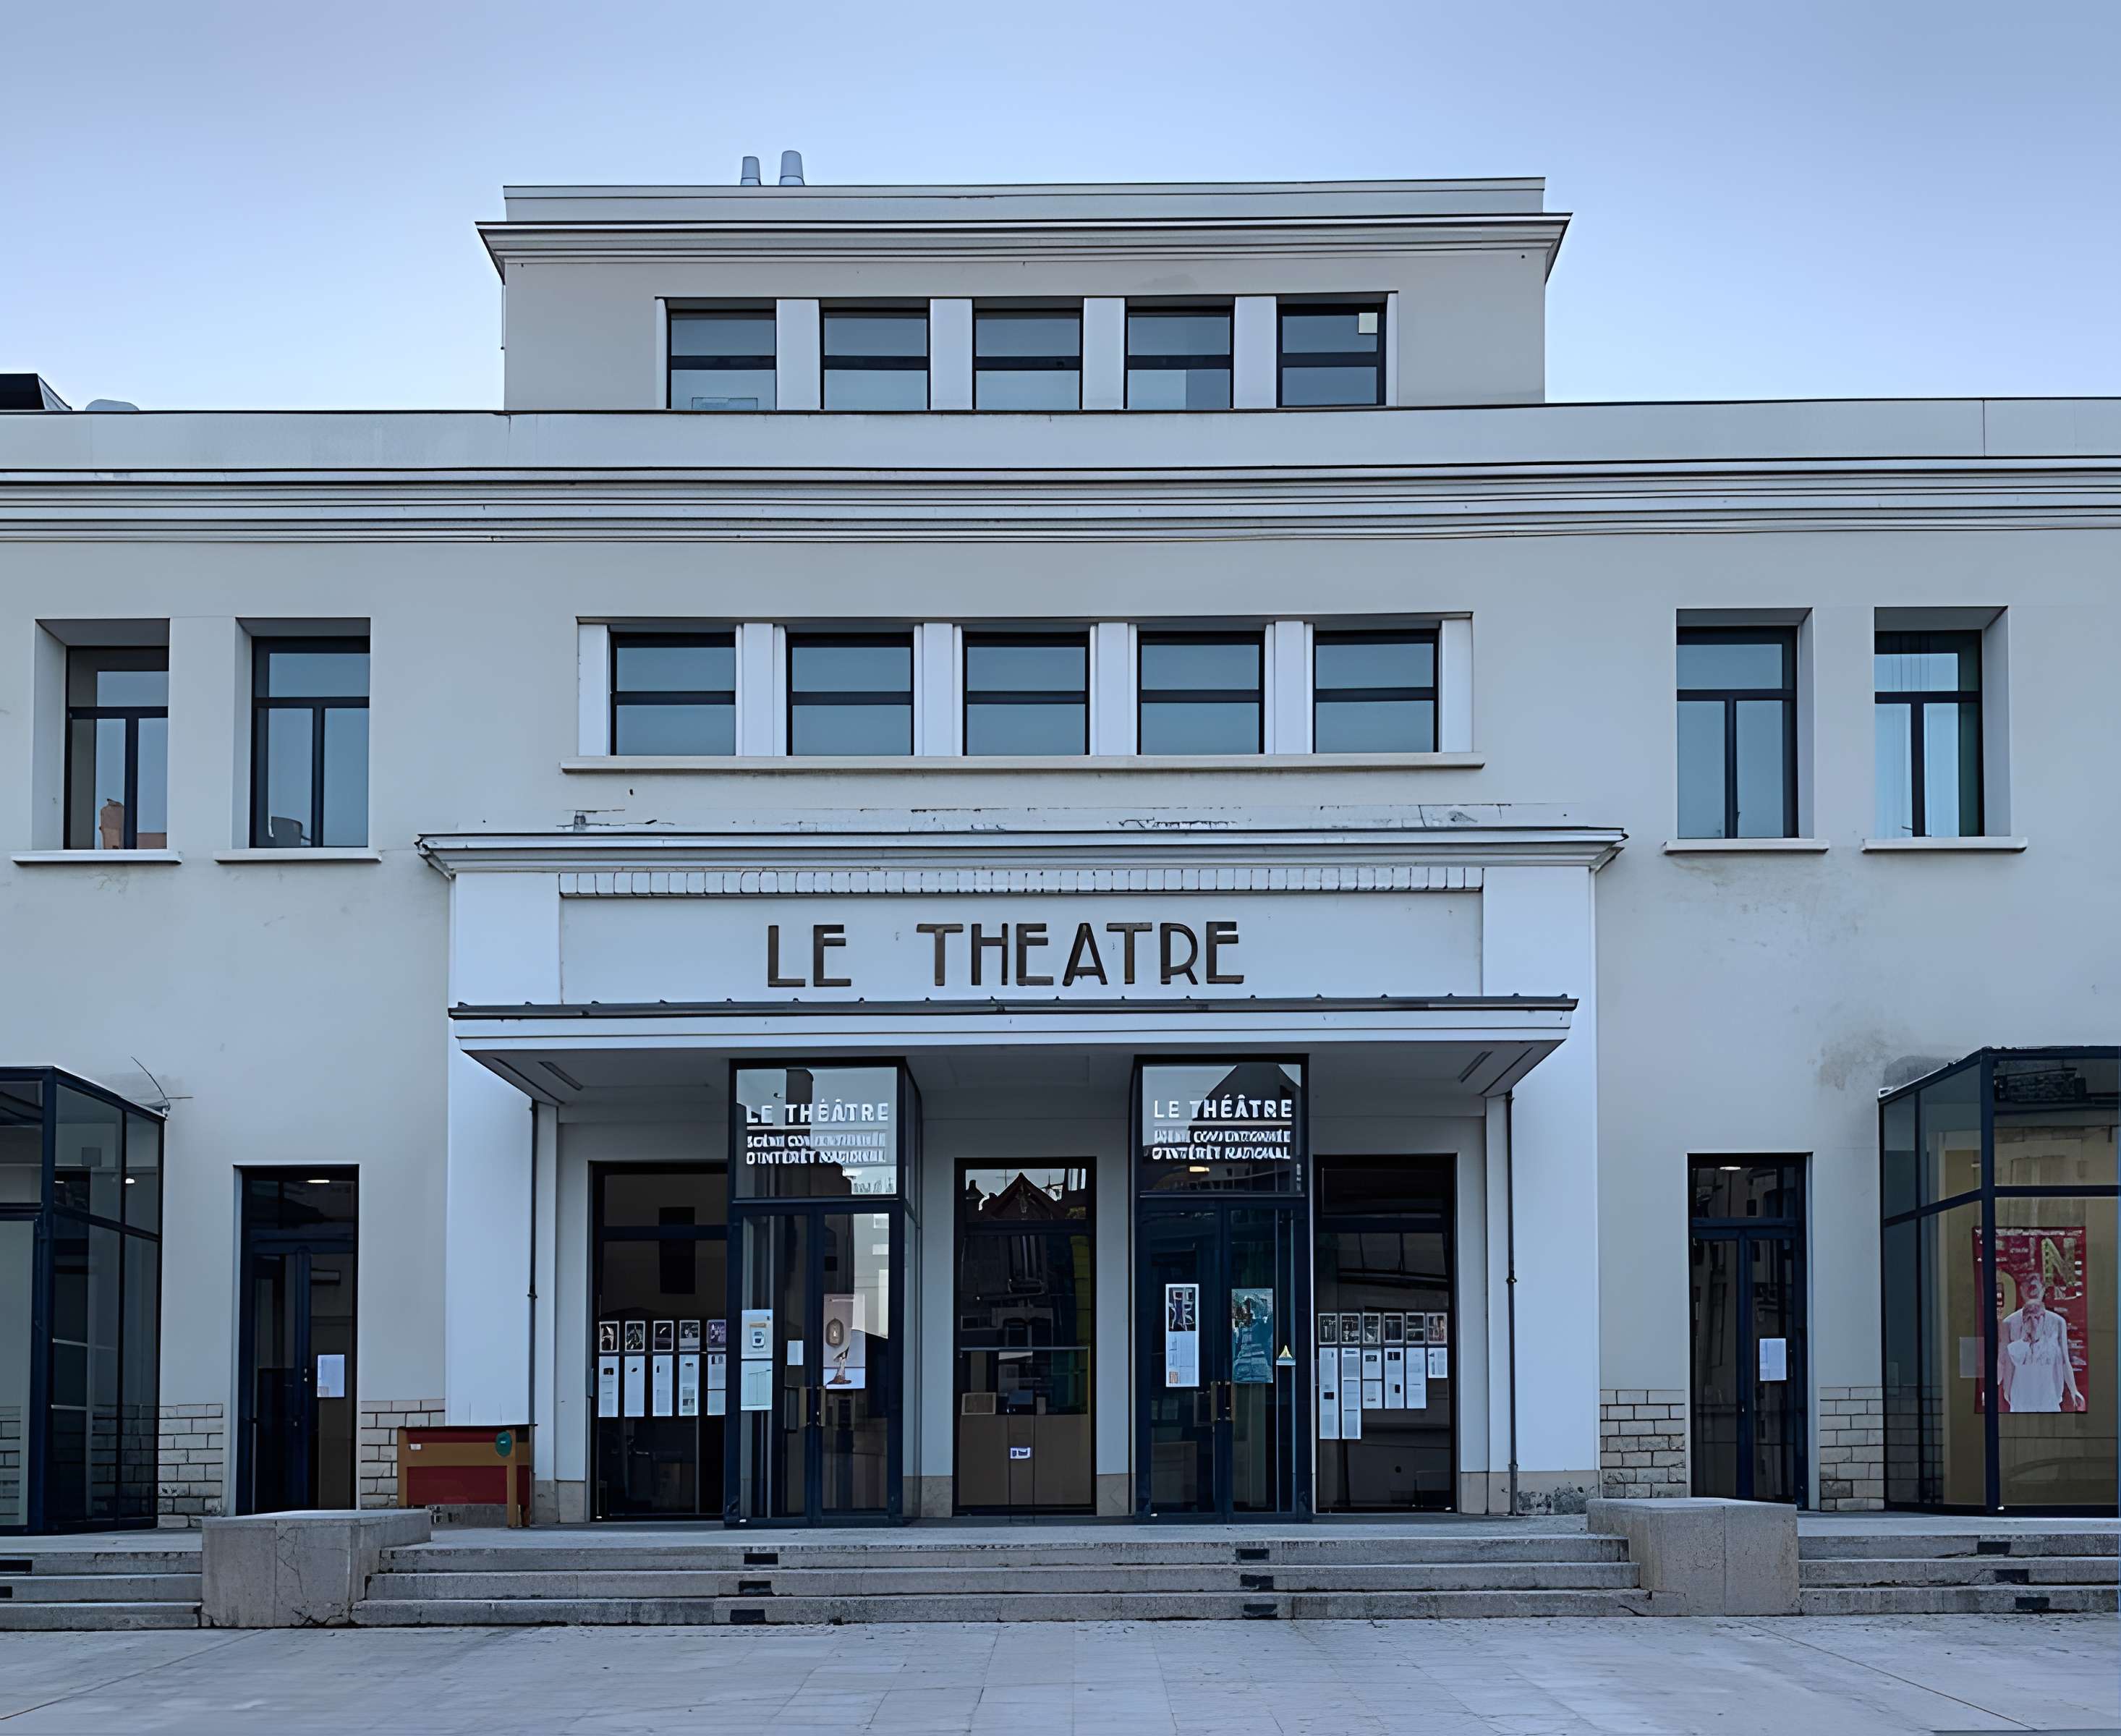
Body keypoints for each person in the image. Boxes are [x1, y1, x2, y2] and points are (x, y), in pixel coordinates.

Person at [1997, 1272, 2086, 1413]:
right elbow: (2002, 1360)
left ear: (2043, 1289)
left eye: (2036, 1287)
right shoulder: (2009, 1323)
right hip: (2021, 1393)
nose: (2032, 1291)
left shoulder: (2058, 1322)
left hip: (2048, 1392)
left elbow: (2064, 1360)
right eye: (2028, 1287)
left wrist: (2074, 1390)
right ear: (2021, 1290)